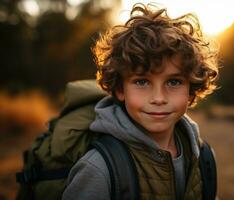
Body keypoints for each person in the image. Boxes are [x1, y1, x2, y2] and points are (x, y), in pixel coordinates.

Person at [62, 2, 219, 200]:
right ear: (120, 89)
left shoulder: (202, 157)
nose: (159, 98)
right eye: (142, 81)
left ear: (191, 90)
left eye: (173, 81)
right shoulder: (99, 170)